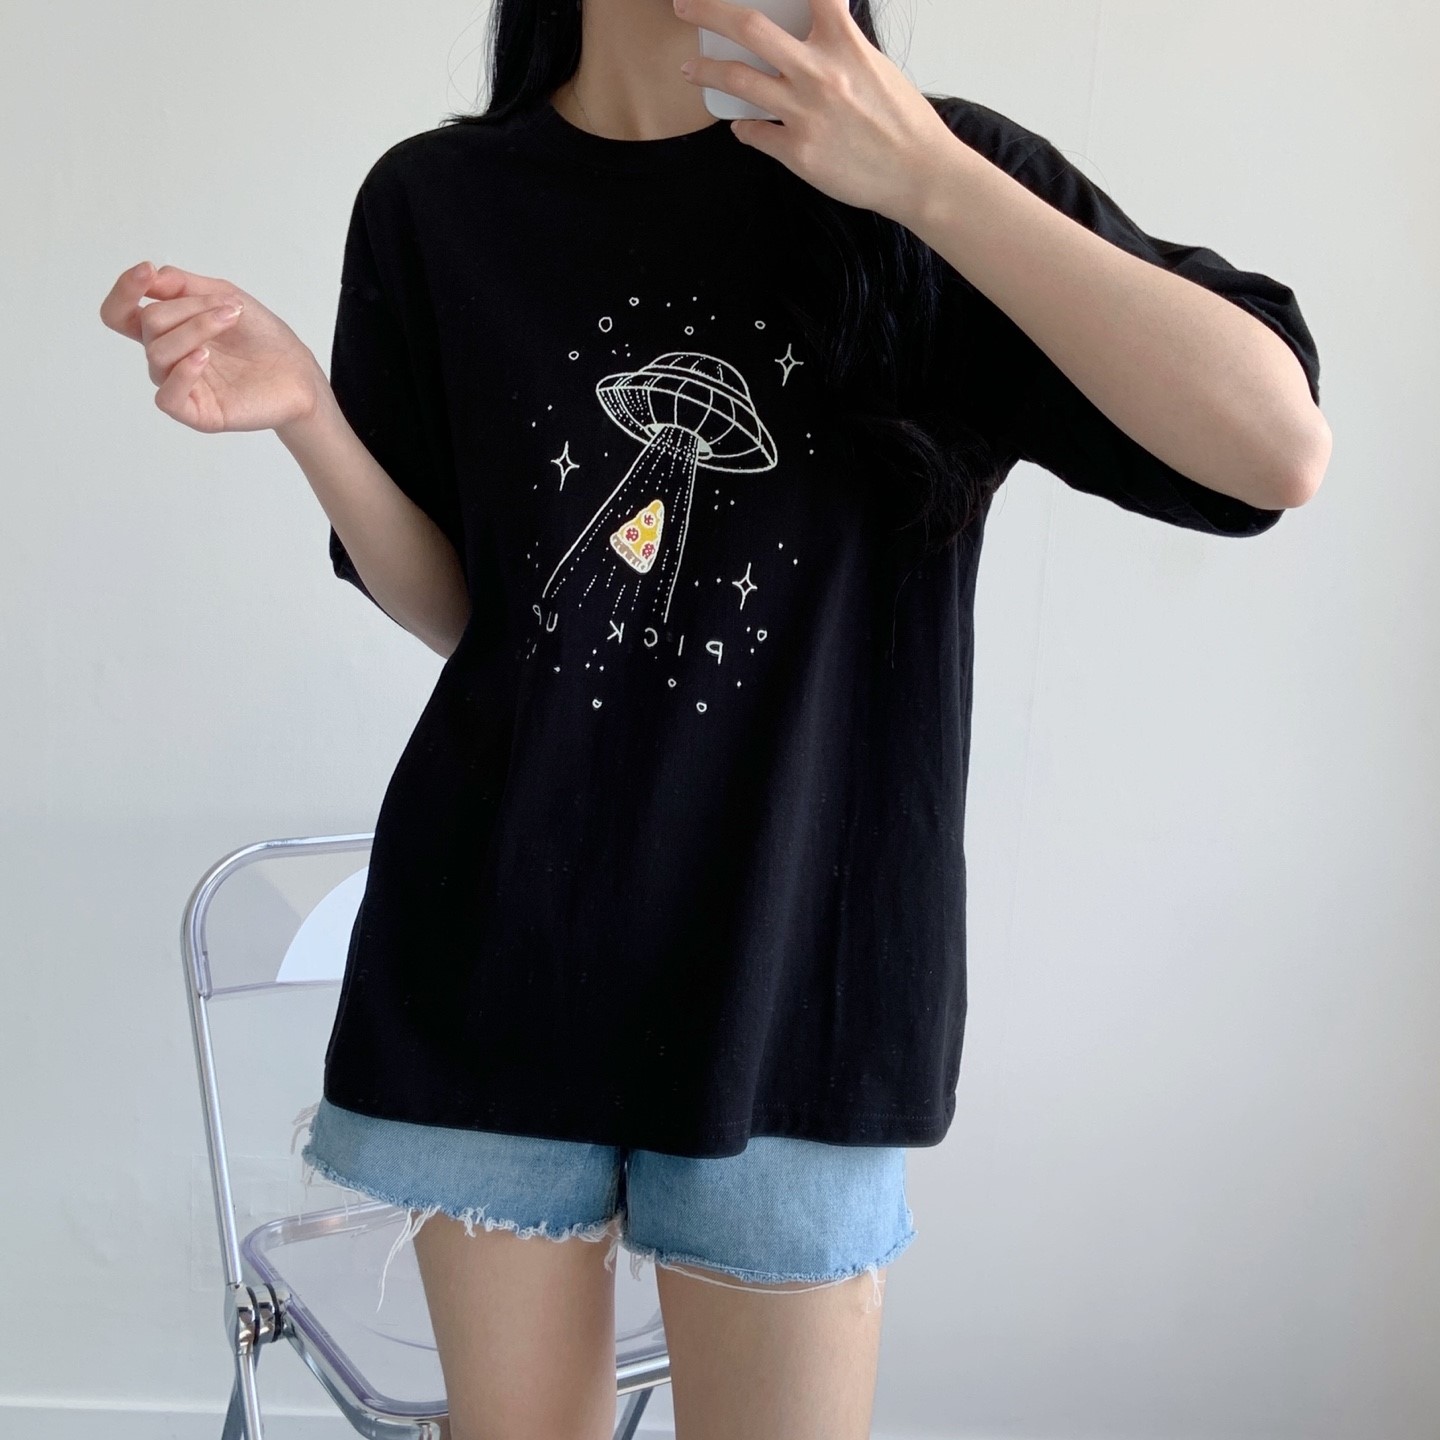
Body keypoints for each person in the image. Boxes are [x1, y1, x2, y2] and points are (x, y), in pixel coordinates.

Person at [99, 0, 1329, 1435]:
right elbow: (486, 620)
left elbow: (1274, 449)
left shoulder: (929, 176)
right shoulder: (438, 204)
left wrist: (929, 180)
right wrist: (312, 413)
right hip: (495, 957)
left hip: (800, 988)